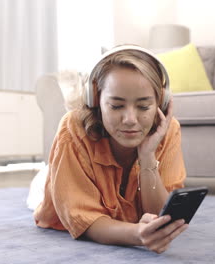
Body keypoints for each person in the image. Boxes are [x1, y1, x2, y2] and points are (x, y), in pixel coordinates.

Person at [33, 45, 187, 254]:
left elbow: (161, 215)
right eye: (116, 106)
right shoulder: (72, 130)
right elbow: (84, 220)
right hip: (63, 177)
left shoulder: (167, 129)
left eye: (143, 107)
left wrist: (147, 156)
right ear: (95, 100)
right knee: (38, 191)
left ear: (161, 102)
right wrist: (137, 234)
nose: (130, 120)